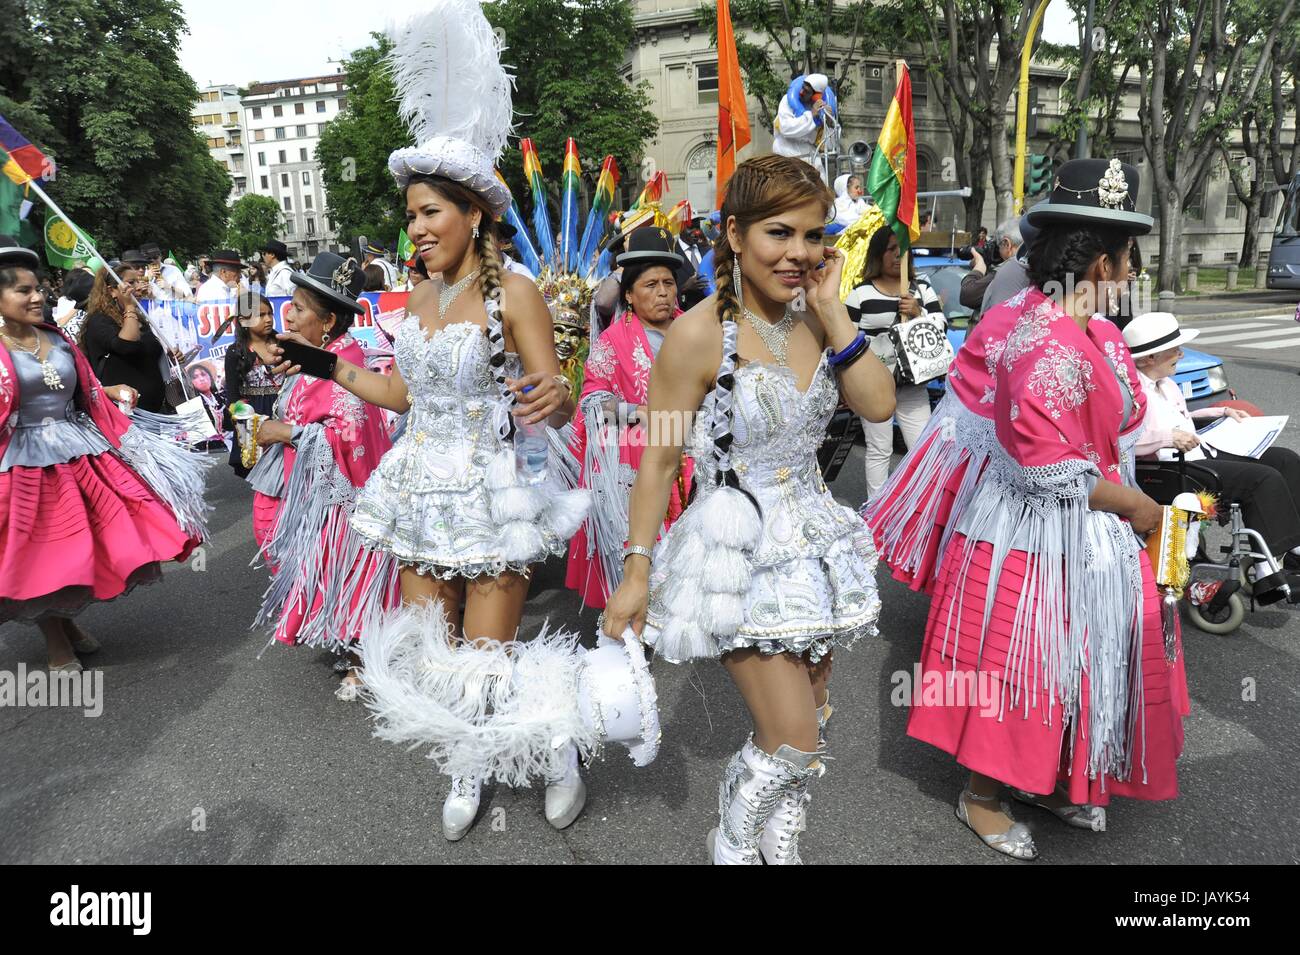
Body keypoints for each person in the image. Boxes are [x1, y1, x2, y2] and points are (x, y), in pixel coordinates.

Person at [274, 2, 592, 843]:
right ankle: (467, 758)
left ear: (475, 213)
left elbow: (551, 386)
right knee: (431, 651)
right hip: (419, 489)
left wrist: (552, 397)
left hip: (491, 493)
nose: (416, 229)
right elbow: (407, 397)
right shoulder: (412, 297)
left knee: (488, 662)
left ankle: (557, 745)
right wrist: (323, 365)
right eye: (411, 215)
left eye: (429, 213)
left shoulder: (512, 291)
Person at [865, 158, 1185, 861]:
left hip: (1087, 530)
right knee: (1026, 662)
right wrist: (1138, 506)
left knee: (1077, 660)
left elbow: (1113, 427)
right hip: (1040, 532)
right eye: (1128, 257)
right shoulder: (1041, 338)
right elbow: (1048, 468)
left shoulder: (1093, 330)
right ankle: (983, 793)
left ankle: (1047, 777)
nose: (1132, 271)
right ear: (1102, 260)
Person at [601, 155, 895, 864]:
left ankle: (778, 832)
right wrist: (636, 567)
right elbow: (661, 459)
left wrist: (833, 314)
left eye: (812, 234)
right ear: (733, 233)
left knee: (812, 715)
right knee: (793, 733)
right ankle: (733, 837)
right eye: (777, 232)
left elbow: (881, 404)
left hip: (817, 544)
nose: (798, 253)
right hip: (736, 552)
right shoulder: (696, 334)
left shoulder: (825, 316)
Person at [0, 238, 208, 670]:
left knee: (77, 547)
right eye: (23, 291)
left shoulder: (55, 338)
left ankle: (66, 622)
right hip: (21, 466)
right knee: (39, 554)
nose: (37, 296)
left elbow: (86, 388)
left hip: (77, 456)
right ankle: (55, 638)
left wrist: (108, 391)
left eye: (38, 287)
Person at [248, 253, 397, 701]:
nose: (287, 313)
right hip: (311, 489)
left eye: (299, 307)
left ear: (328, 320)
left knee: (350, 571)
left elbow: (348, 436)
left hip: (342, 497)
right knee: (319, 567)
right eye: (289, 303)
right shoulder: (320, 353)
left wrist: (288, 432)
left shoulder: (344, 360)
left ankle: (360, 660)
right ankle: (347, 642)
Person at [566, 227, 694, 609]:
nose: (663, 293)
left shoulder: (696, 331)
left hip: (694, 453)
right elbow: (592, 401)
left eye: (669, 283)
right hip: (637, 461)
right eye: (651, 284)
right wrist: (635, 413)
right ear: (629, 295)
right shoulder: (613, 342)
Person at [1126, 311, 1300, 568]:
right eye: (1175, 350)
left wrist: (1221, 411)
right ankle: (1267, 566)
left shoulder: (1167, 384)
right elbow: (1124, 438)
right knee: (1263, 478)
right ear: (1150, 358)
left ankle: (1294, 547)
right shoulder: (1131, 391)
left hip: (1198, 453)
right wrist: (1166, 438)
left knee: (1285, 459)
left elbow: (1182, 417)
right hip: (1169, 468)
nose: (1181, 355)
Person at [844, 224, 945, 499]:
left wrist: (917, 312)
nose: (898, 255)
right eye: (891, 249)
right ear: (878, 254)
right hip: (873, 386)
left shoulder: (921, 289)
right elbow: (844, 338)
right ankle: (876, 511)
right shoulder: (860, 294)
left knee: (922, 449)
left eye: (903, 249)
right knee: (879, 450)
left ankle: (918, 509)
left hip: (913, 385)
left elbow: (940, 329)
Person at [80, 265, 170, 413]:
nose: (139, 287)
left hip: (156, 412)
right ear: (112, 291)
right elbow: (126, 346)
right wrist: (129, 307)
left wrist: (170, 356)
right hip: (125, 414)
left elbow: (150, 351)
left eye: (138, 281)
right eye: (131, 282)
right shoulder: (99, 321)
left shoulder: (140, 318)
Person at [223, 294, 285, 476]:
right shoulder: (235, 352)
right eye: (260, 315)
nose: (267, 319)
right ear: (243, 321)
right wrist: (243, 424)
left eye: (270, 314)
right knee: (261, 474)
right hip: (254, 416)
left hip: (283, 411)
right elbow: (232, 395)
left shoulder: (284, 344)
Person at [960, 216, 1023, 315]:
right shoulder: (1031, 265)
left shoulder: (1007, 271)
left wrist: (978, 269)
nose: (997, 250)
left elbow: (968, 296)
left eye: (998, 245)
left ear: (1007, 244)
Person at [772, 73, 836, 167]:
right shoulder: (787, 101)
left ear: (816, 96)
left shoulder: (822, 109)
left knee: (822, 179)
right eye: (802, 88)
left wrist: (829, 124)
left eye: (806, 91)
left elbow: (829, 146)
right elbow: (786, 129)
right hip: (785, 150)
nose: (801, 92)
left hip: (810, 154)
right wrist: (811, 115)